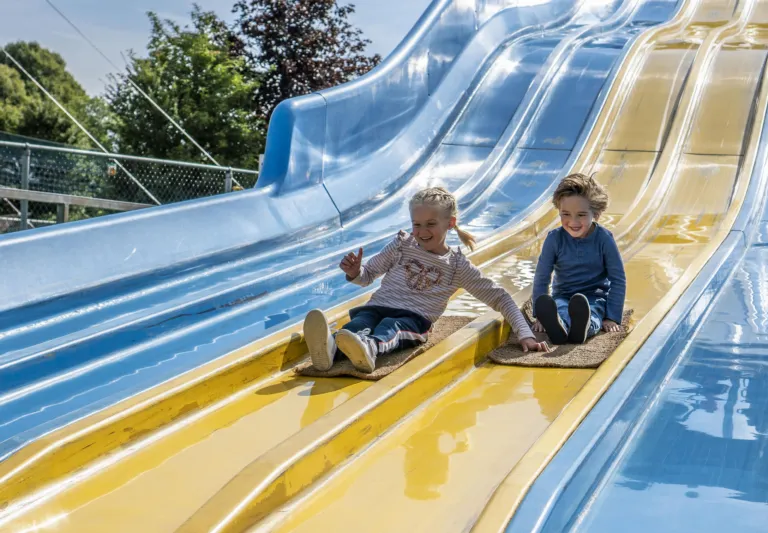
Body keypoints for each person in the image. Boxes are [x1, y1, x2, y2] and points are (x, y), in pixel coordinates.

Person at [303, 187, 549, 374]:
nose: (421, 232)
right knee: (362, 320)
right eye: (416, 224)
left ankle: (370, 348)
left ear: (450, 223)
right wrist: (355, 272)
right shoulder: (401, 244)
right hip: (377, 306)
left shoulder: (457, 265)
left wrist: (524, 334)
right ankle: (332, 346)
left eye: (431, 224)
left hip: (414, 319)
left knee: (392, 326)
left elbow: (499, 298)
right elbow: (367, 277)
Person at [532, 173, 626, 345]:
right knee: (559, 308)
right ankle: (559, 327)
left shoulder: (604, 239)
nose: (572, 221)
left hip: (594, 296)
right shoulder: (554, 239)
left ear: (596, 214)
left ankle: (584, 327)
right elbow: (542, 277)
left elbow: (618, 279)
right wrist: (539, 314)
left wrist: (612, 317)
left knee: (594, 312)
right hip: (563, 295)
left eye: (581, 215)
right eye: (565, 214)